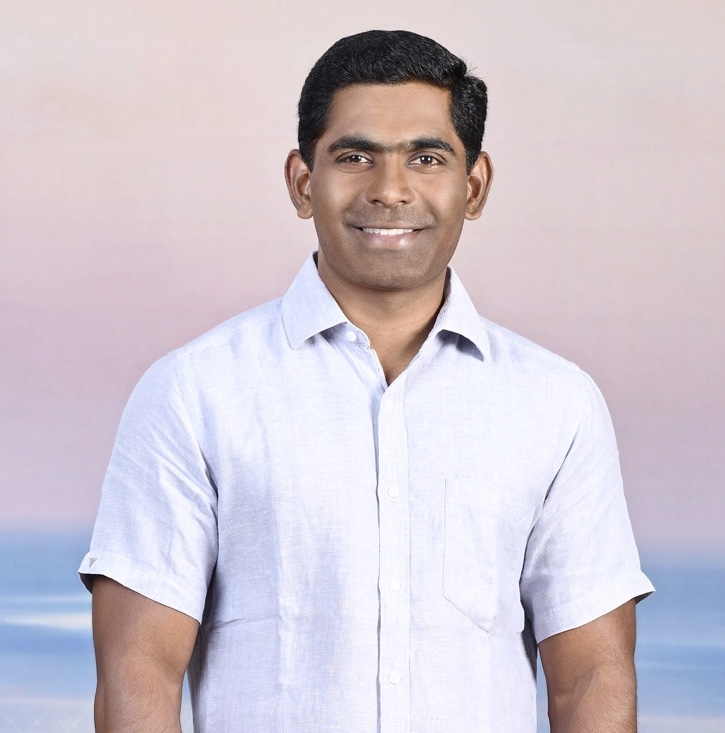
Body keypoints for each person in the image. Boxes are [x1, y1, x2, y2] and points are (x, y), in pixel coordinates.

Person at [80, 29, 653, 733]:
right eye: (355, 157)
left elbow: (592, 678)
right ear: (302, 182)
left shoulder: (556, 404)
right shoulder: (193, 393)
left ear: (473, 187)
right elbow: (138, 671)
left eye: (426, 158)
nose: (389, 190)